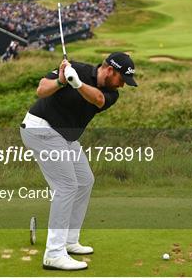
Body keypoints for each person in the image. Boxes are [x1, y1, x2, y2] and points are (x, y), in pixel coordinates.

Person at [20, 52, 137, 271]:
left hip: (64, 136)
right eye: (122, 79)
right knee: (66, 187)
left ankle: (69, 240)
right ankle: (54, 254)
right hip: (41, 129)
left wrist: (77, 83)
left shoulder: (110, 94)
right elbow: (41, 89)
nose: (122, 85)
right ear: (110, 70)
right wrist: (61, 80)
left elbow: (97, 99)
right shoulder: (77, 68)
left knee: (85, 181)